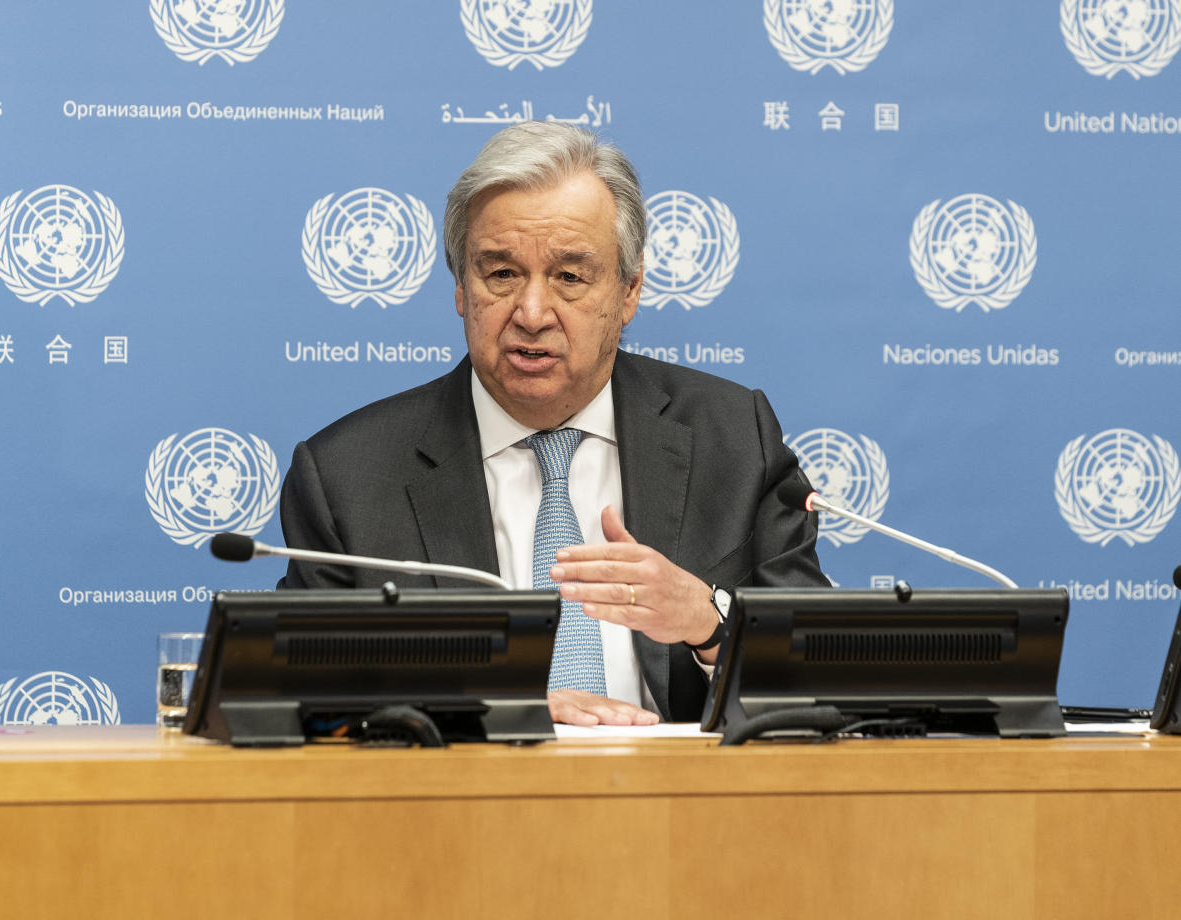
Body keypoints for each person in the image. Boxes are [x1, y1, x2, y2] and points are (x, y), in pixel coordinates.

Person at [277, 121, 827, 725]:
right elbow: (298, 694)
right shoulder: (349, 476)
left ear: (629, 291)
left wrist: (711, 622)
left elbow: (821, 681)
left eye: (569, 277)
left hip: (680, 809)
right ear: (461, 288)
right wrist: (485, 709)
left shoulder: (733, 437)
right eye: (501, 273)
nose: (533, 313)